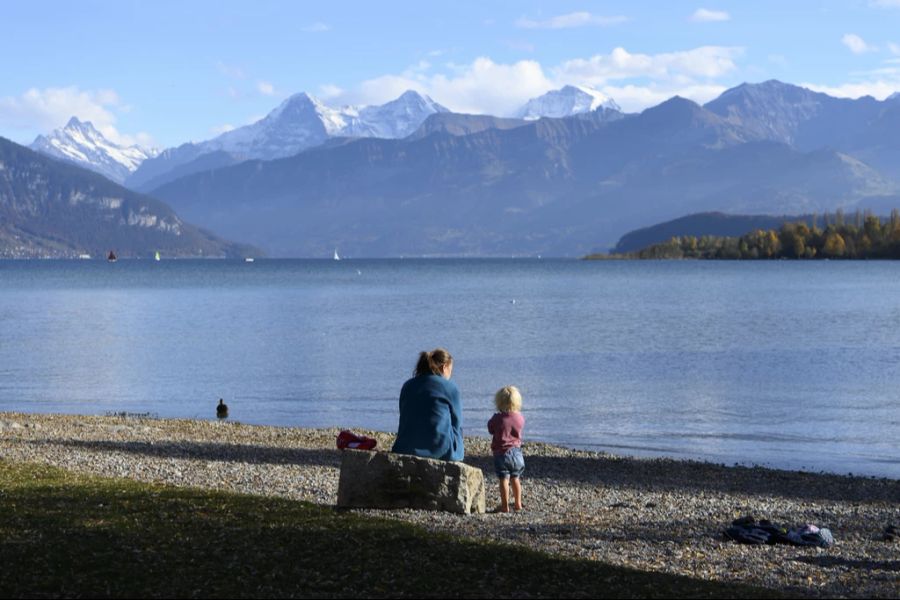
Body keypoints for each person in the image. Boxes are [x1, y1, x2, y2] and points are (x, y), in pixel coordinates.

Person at [391, 348, 464, 461]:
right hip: (439, 450)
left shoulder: (408, 385)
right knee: (457, 429)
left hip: (404, 447)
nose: (451, 375)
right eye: (451, 370)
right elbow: (457, 421)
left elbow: (403, 412)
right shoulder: (450, 387)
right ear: (444, 367)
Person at [487, 385, 525, 512]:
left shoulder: (497, 418)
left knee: (504, 479)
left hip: (501, 454)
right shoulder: (519, 417)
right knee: (516, 478)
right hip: (517, 453)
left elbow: (490, 429)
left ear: (499, 402)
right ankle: (518, 503)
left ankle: (505, 506)